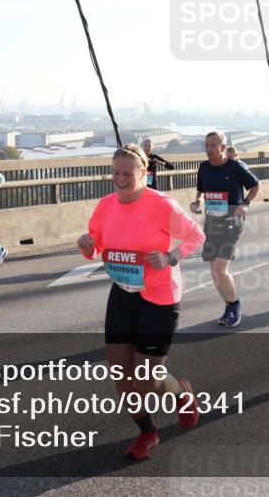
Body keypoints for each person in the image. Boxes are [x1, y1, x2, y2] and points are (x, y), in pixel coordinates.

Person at [77, 145, 205, 461]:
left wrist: (170, 256)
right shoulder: (106, 206)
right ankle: (147, 433)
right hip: (122, 294)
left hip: (159, 298)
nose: (120, 179)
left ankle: (182, 393)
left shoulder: (161, 205)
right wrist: (86, 246)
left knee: (147, 379)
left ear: (144, 173)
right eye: (116, 172)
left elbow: (196, 236)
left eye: (128, 173)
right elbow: (96, 247)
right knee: (122, 374)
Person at [190, 131, 260, 327]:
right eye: (206, 145)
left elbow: (255, 186)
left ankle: (234, 305)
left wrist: (245, 204)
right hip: (212, 223)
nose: (209, 149)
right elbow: (201, 189)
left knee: (220, 270)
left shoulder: (235, 166)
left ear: (222, 147)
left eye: (213, 145)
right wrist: (196, 201)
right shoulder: (203, 167)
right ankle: (229, 305)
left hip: (231, 223)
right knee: (214, 271)